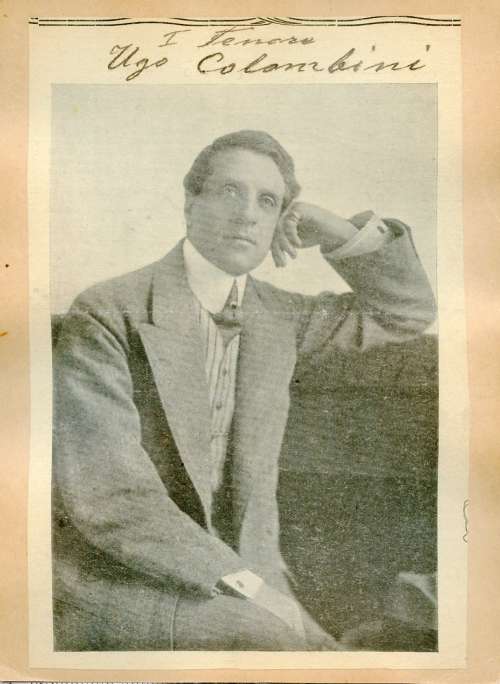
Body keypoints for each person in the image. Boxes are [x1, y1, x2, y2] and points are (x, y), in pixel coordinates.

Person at [52, 129, 436, 651]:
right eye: (230, 191)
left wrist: (336, 230)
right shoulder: (106, 311)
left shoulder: (281, 316)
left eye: (268, 201)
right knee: (276, 644)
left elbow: (405, 312)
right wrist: (251, 590)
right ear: (191, 202)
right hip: (123, 576)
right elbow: (111, 496)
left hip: (252, 576)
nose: (248, 214)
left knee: (337, 655)